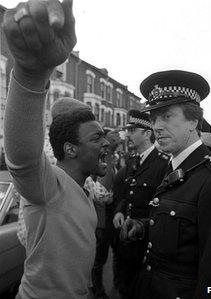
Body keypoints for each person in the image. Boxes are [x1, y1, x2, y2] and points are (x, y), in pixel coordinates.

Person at [3, 1, 110, 298]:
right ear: (70, 150)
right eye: (97, 137)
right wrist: (29, 75)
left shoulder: (84, 189)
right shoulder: (51, 185)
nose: (107, 143)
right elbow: (22, 160)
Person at [120, 70, 211, 299]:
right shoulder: (176, 165)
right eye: (154, 118)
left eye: (166, 116)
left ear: (193, 121)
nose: (156, 126)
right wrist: (144, 225)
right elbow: (184, 229)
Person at [112, 109, 169, 299]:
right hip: (125, 241)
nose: (127, 134)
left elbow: (162, 206)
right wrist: (119, 211)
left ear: (146, 133)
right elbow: (126, 194)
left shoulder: (163, 164)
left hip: (144, 244)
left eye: (133, 129)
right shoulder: (132, 161)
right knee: (123, 285)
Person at [91, 129, 122, 299]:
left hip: (109, 218)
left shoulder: (110, 159)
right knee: (99, 259)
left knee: (110, 254)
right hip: (101, 220)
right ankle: (98, 292)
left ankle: (116, 285)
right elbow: (101, 194)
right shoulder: (101, 159)